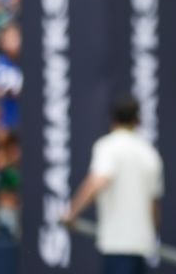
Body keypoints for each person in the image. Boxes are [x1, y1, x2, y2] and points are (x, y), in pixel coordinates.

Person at [62, 96, 163, 274]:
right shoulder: (149, 152)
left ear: (113, 119)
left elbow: (98, 181)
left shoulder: (107, 147)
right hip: (141, 244)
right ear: (137, 120)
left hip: (117, 244)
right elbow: (153, 205)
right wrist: (151, 234)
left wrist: (72, 213)